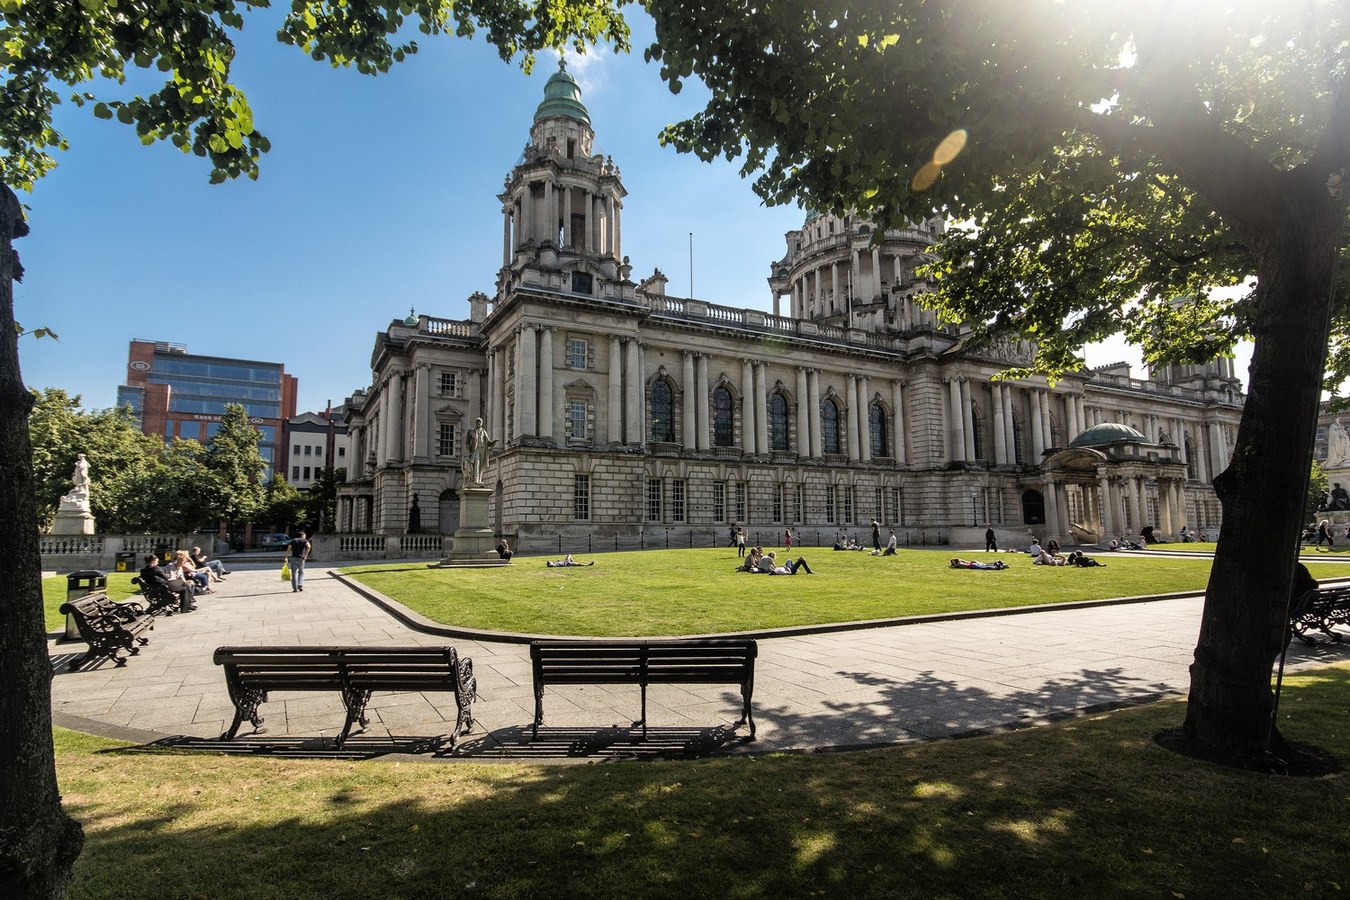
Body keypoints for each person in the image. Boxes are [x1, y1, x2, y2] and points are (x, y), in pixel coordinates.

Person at [462, 417, 495, 485]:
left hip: (483, 449)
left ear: (482, 423)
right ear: (475, 423)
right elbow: (467, 443)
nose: (478, 423)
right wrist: (469, 451)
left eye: (479, 422)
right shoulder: (471, 431)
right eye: (477, 422)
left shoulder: (484, 432)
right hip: (475, 449)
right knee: (477, 462)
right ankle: (476, 479)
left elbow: (488, 442)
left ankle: (479, 479)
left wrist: (494, 442)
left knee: (481, 465)